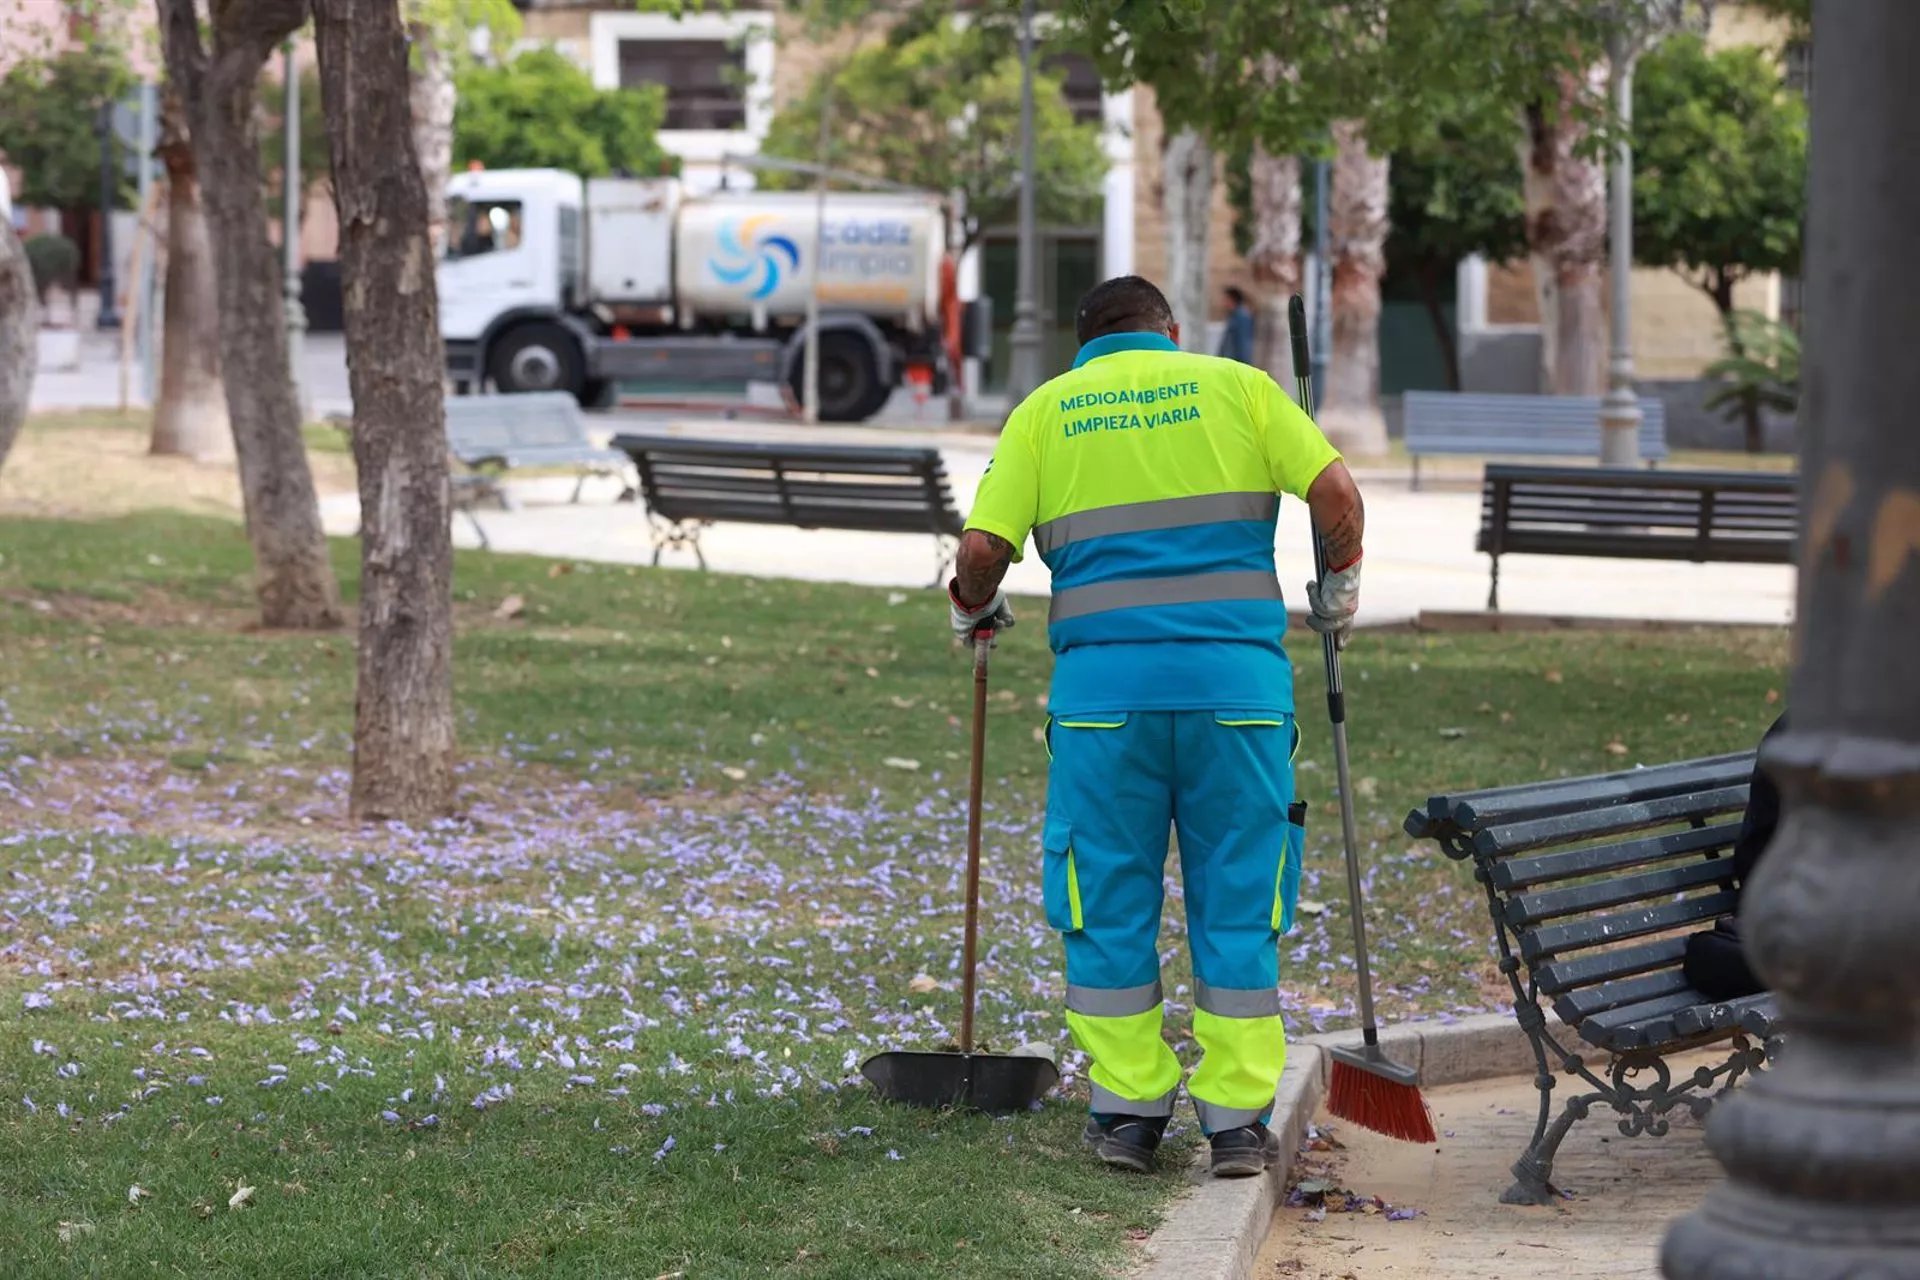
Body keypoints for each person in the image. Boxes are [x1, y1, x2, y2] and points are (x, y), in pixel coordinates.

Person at [945, 275, 1364, 1178]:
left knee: (1106, 900)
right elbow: (1336, 492)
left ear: (1082, 343)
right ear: (1171, 331)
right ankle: (1236, 1125)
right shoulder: (1242, 389)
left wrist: (973, 605)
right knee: (1242, 895)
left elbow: (982, 552)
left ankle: (1129, 1112)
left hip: (1103, 707)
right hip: (1240, 698)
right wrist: (1339, 584)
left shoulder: (1046, 412)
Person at [1217, 286, 1256, 365]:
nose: (1223, 303)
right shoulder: (1233, 316)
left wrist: (1244, 366)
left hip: (1235, 364)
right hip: (1229, 363)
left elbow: (1243, 344)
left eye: (1225, 299)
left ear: (1232, 300)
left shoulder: (1242, 317)